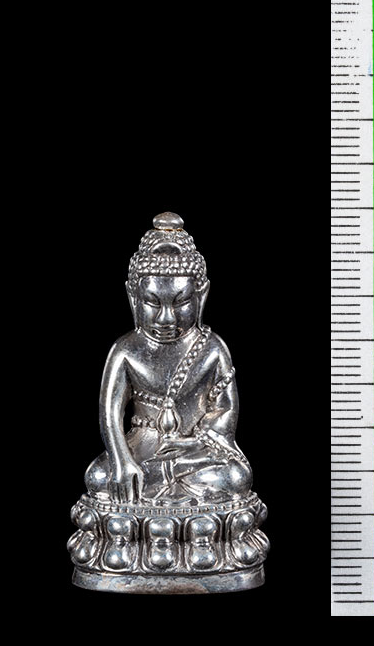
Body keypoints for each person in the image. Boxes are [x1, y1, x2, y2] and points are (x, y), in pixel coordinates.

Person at [84, 212, 252, 505]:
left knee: (236, 477)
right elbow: (109, 414)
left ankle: (161, 487)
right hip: (141, 450)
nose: (166, 318)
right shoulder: (126, 350)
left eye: (181, 302)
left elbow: (225, 410)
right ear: (133, 297)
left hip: (195, 454)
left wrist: (194, 446)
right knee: (99, 476)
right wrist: (122, 461)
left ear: (202, 295)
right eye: (152, 302)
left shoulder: (212, 348)